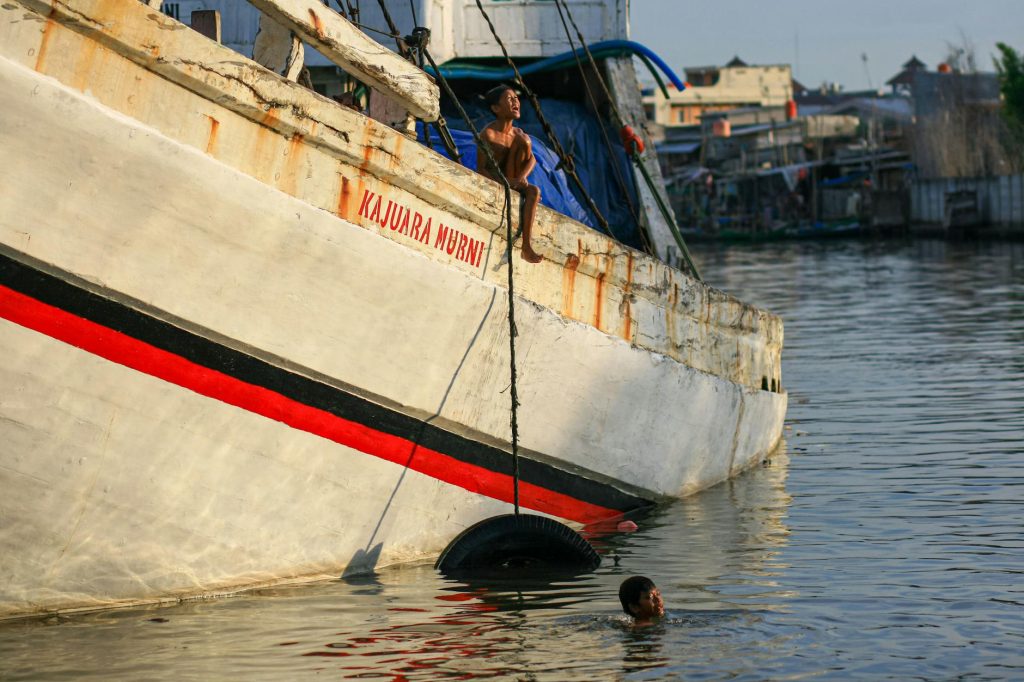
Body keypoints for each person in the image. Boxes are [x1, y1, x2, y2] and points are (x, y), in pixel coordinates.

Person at [477, 84, 543, 263]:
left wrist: (521, 178)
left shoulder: (518, 133)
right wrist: (506, 183)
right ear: (496, 108)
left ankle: (526, 247)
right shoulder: (488, 135)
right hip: (500, 180)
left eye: (516, 98)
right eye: (509, 99)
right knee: (523, 141)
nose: (515, 102)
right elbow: (482, 168)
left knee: (534, 191)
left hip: (515, 179)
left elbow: (533, 159)